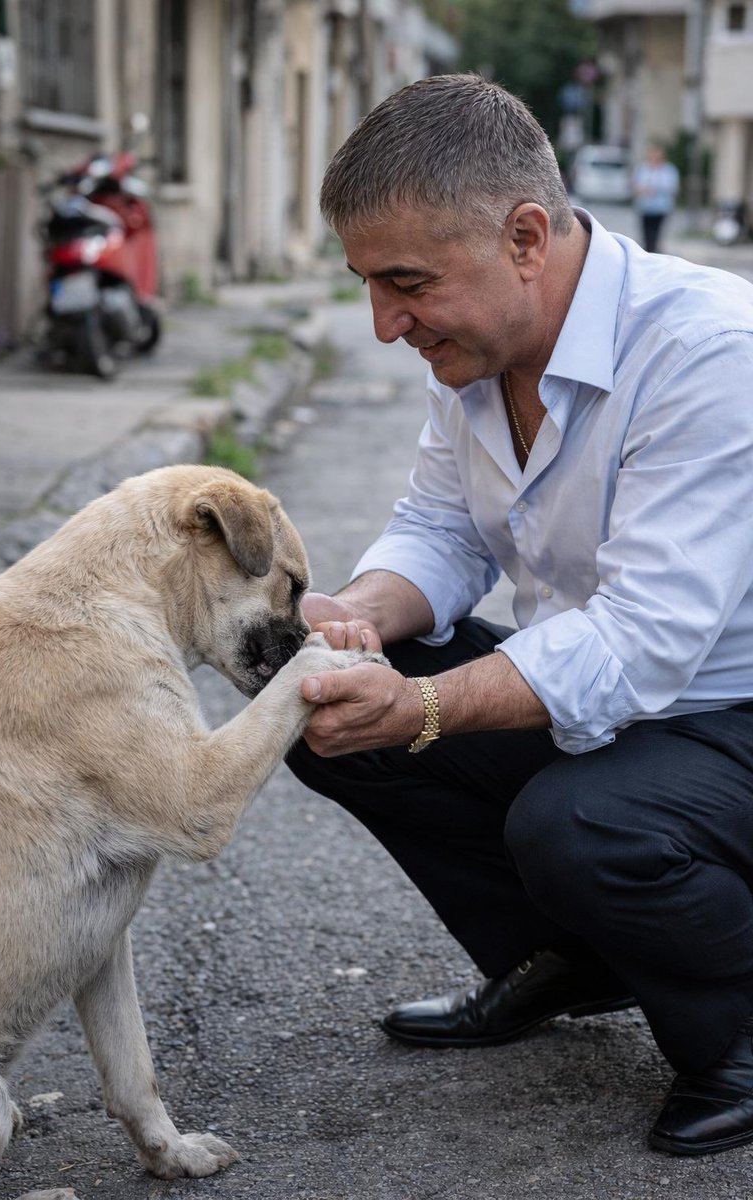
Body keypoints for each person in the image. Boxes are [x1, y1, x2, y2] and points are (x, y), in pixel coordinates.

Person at [286, 73, 753, 1158]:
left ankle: (733, 1037)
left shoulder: (709, 350)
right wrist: (354, 617)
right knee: (321, 715)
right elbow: (440, 532)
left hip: (725, 709)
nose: (382, 323)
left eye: (404, 283)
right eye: (366, 284)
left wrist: (425, 705)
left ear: (526, 237)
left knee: (582, 826)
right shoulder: (474, 353)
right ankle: (574, 962)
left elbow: (643, 640)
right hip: (617, 696)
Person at [632, 142, 680, 253]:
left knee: (656, 234)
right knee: (646, 235)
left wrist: (655, 189)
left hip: (661, 207)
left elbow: (672, 187)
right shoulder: (643, 169)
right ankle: (648, 251)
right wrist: (642, 190)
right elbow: (635, 185)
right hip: (645, 207)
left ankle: (653, 251)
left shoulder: (669, 170)